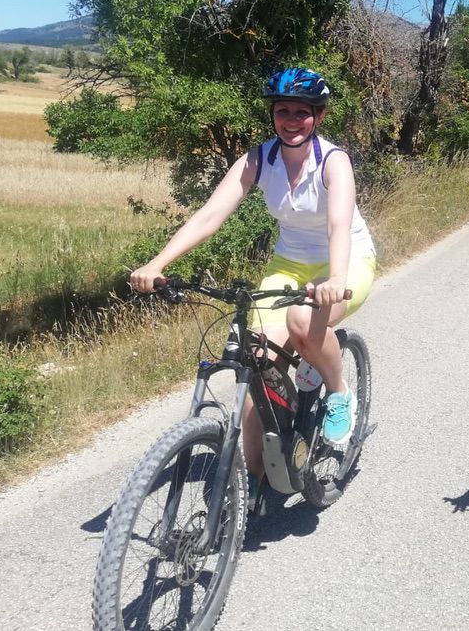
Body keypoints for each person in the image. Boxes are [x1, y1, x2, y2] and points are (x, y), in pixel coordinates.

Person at [130, 67, 376, 512]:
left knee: (303, 322)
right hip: (288, 264)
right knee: (256, 359)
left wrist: (335, 279)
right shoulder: (260, 158)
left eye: (303, 112)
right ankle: (257, 477)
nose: (292, 119)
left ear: (317, 117)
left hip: (347, 260)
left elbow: (339, 223)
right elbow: (210, 215)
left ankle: (339, 392)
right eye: (284, 110)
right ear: (273, 114)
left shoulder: (332, 160)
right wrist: (157, 264)